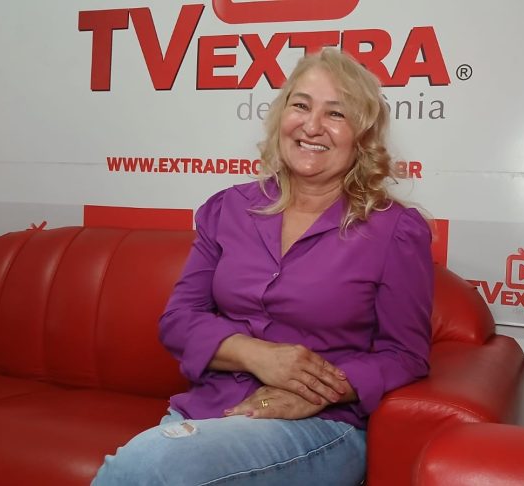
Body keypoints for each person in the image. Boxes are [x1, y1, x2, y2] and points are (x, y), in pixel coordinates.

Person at [92, 48, 434, 486]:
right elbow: (178, 321)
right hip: (210, 409)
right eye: (301, 105)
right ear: (281, 116)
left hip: (318, 425)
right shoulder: (228, 208)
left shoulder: (395, 230)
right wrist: (259, 355)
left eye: (336, 113)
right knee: (150, 465)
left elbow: (405, 355)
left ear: (362, 135)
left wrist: (320, 389)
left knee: (147, 467)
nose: (312, 126)